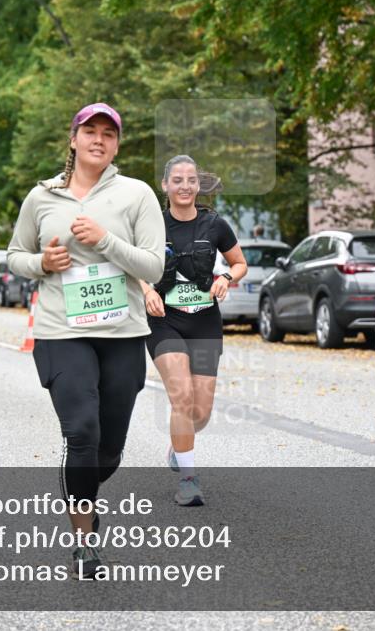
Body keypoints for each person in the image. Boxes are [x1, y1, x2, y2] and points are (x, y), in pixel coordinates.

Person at [7, 103, 165, 579]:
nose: (99, 139)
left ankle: (84, 496)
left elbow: (154, 267)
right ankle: (83, 542)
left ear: (117, 144)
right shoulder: (41, 198)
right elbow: (16, 256)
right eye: (89, 131)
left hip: (121, 333)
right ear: (73, 139)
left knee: (108, 450)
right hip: (62, 331)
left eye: (108, 134)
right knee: (81, 433)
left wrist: (104, 241)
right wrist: (42, 264)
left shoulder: (137, 195)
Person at [139, 156, 246, 506]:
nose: (185, 186)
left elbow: (239, 262)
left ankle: (178, 446)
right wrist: (147, 290)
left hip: (204, 321)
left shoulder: (215, 224)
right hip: (164, 320)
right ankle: (188, 480)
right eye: (177, 180)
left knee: (200, 412)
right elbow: (132, 263)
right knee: (181, 396)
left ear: (198, 186)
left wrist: (227, 278)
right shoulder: (151, 224)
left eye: (191, 180)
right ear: (165, 185)